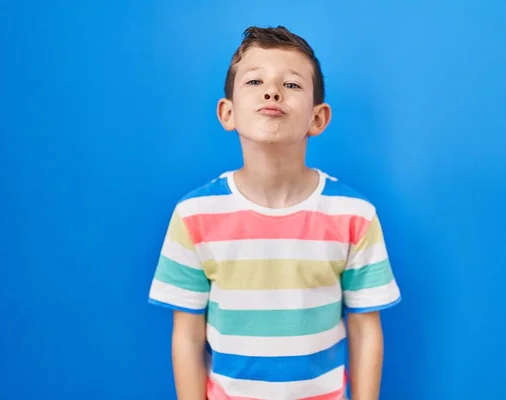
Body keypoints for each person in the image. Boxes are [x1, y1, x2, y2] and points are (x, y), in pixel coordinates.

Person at [148, 25, 401, 400]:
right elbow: (187, 336)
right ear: (227, 112)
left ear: (318, 118)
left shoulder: (354, 215)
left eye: (292, 85)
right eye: (254, 81)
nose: (272, 92)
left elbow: (365, 330)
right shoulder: (193, 215)